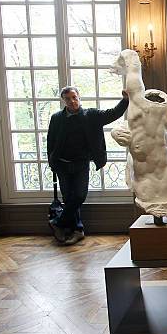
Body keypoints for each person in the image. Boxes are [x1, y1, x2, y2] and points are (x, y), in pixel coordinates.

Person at [47, 86, 129, 245]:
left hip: (81, 165)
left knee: (79, 196)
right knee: (69, 198)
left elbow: (113, 113)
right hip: (62, 165)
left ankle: (57, 223)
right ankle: (77, 230)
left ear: (79, 97)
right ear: (63, 101)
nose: (72, 101)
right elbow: (51, 142)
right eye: (68, 98)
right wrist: (52, 163)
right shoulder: (56, 118)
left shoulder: (91, 115)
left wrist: (125, 100)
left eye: (74, 97)